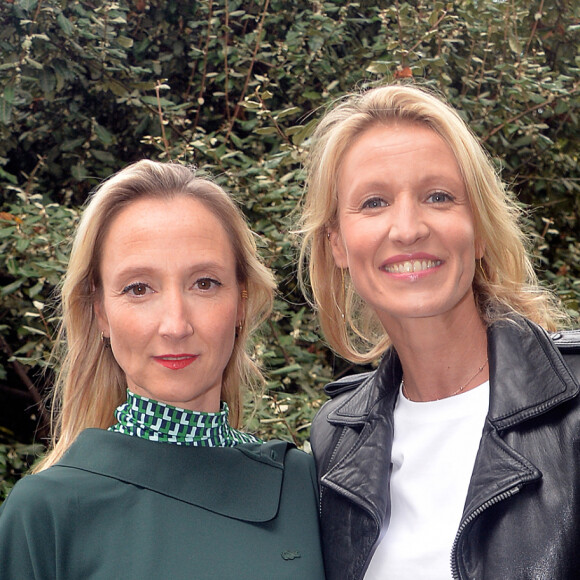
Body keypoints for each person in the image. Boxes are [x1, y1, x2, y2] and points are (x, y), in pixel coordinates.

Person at [299, 84, 580, 580]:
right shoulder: (335, 439)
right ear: (338, 244)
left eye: (438, 196)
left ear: (478, 228)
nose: (407, 228)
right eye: (373, 202)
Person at [0, 160, 325, 579]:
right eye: (139, 288)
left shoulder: (306, 487)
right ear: (100, 311)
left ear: (242, 301)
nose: (175, 325)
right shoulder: (45, 515)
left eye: (204, 283)